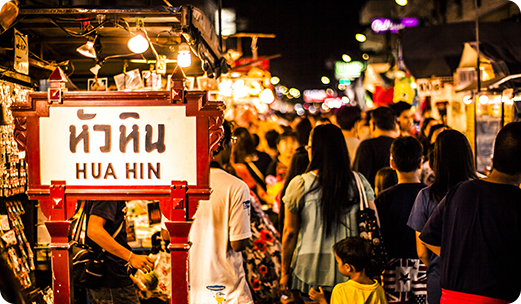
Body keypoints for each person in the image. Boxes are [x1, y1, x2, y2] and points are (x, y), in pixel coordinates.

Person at [420, 122, 521, 304]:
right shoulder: (516, 201)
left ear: (494, 155)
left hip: (449, 298)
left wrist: (461, 261)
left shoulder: (461, 190)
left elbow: (428, 237)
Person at [281, 124, 375, 303]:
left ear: (315, 150)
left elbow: (290, 232)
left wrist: (285, 273)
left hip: (308, 272)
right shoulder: (359, 182)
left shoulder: (299, 184)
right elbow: (373, 221)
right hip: (351, 271)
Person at [161, 120, 253, 304]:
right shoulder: (237, 187)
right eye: (231, 141)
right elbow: (238, 243)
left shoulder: (177, 184)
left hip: (190, 289)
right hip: (227, 292)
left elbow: (166, 234)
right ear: (222, 144)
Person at [407, 129, 477, 304]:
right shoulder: (480, 192)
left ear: (434, 163)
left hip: (441, 279)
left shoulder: (425, 196)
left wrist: (441, 264)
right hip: (476, 282)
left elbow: (422, 252)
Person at [374, 136, 427, 303]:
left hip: (392, 268)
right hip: (424, 265)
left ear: (392, 163)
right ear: (420, 162)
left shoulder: (383, 199)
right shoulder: (430, 195)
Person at [85, 201, 155, 304]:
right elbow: (94, 230)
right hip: (111, 280)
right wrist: (131, 257)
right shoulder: (108, 189)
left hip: (112, 277)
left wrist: (128, 276)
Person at [308, 237, 388, 304]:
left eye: (338, 262)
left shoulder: (341, 290)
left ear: (348, 267)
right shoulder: (378, 289)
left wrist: (321, 301)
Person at [353, 106, 398, 188]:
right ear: (394, 125)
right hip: (398, 197)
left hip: (372, 198)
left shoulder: (367, 146)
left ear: (373, 125)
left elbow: (359, 178)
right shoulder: (400, 145)